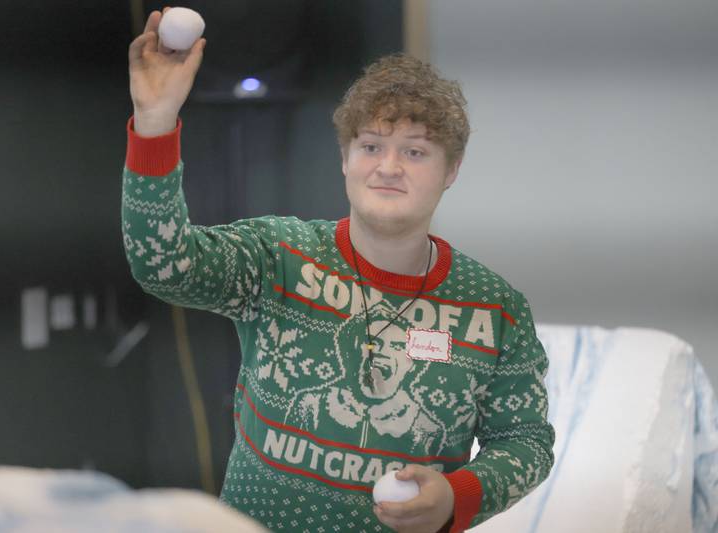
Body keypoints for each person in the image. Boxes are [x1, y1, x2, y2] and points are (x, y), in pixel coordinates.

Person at [123, 7, 555, 533]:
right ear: (345, 159)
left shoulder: (495, 308)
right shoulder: (279, 255)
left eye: (415, 151)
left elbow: (526, 444)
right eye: (371, 146)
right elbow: (164, 265)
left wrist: (456, 495)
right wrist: (154, 122)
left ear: (451, 171)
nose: (388, 167)